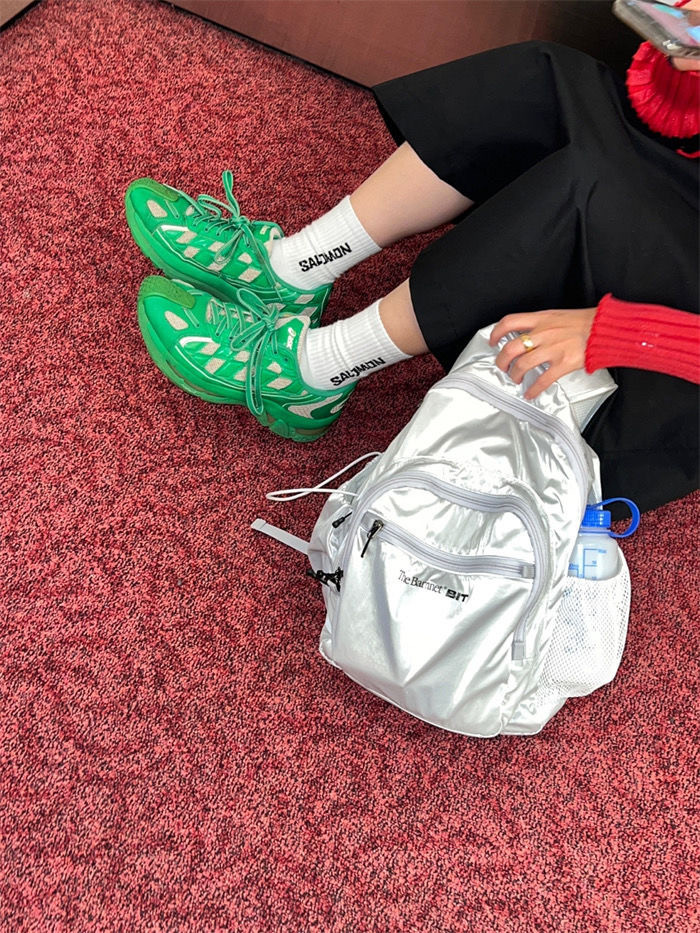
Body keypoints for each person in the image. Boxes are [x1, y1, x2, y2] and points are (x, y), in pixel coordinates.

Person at [124, 1, 699, 514]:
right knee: (545, 78)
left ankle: (313, 373)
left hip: (666, 378)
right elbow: (667, 123)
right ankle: (293, 270)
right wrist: (684, 54)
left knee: (588, 189)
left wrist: (618, 333)